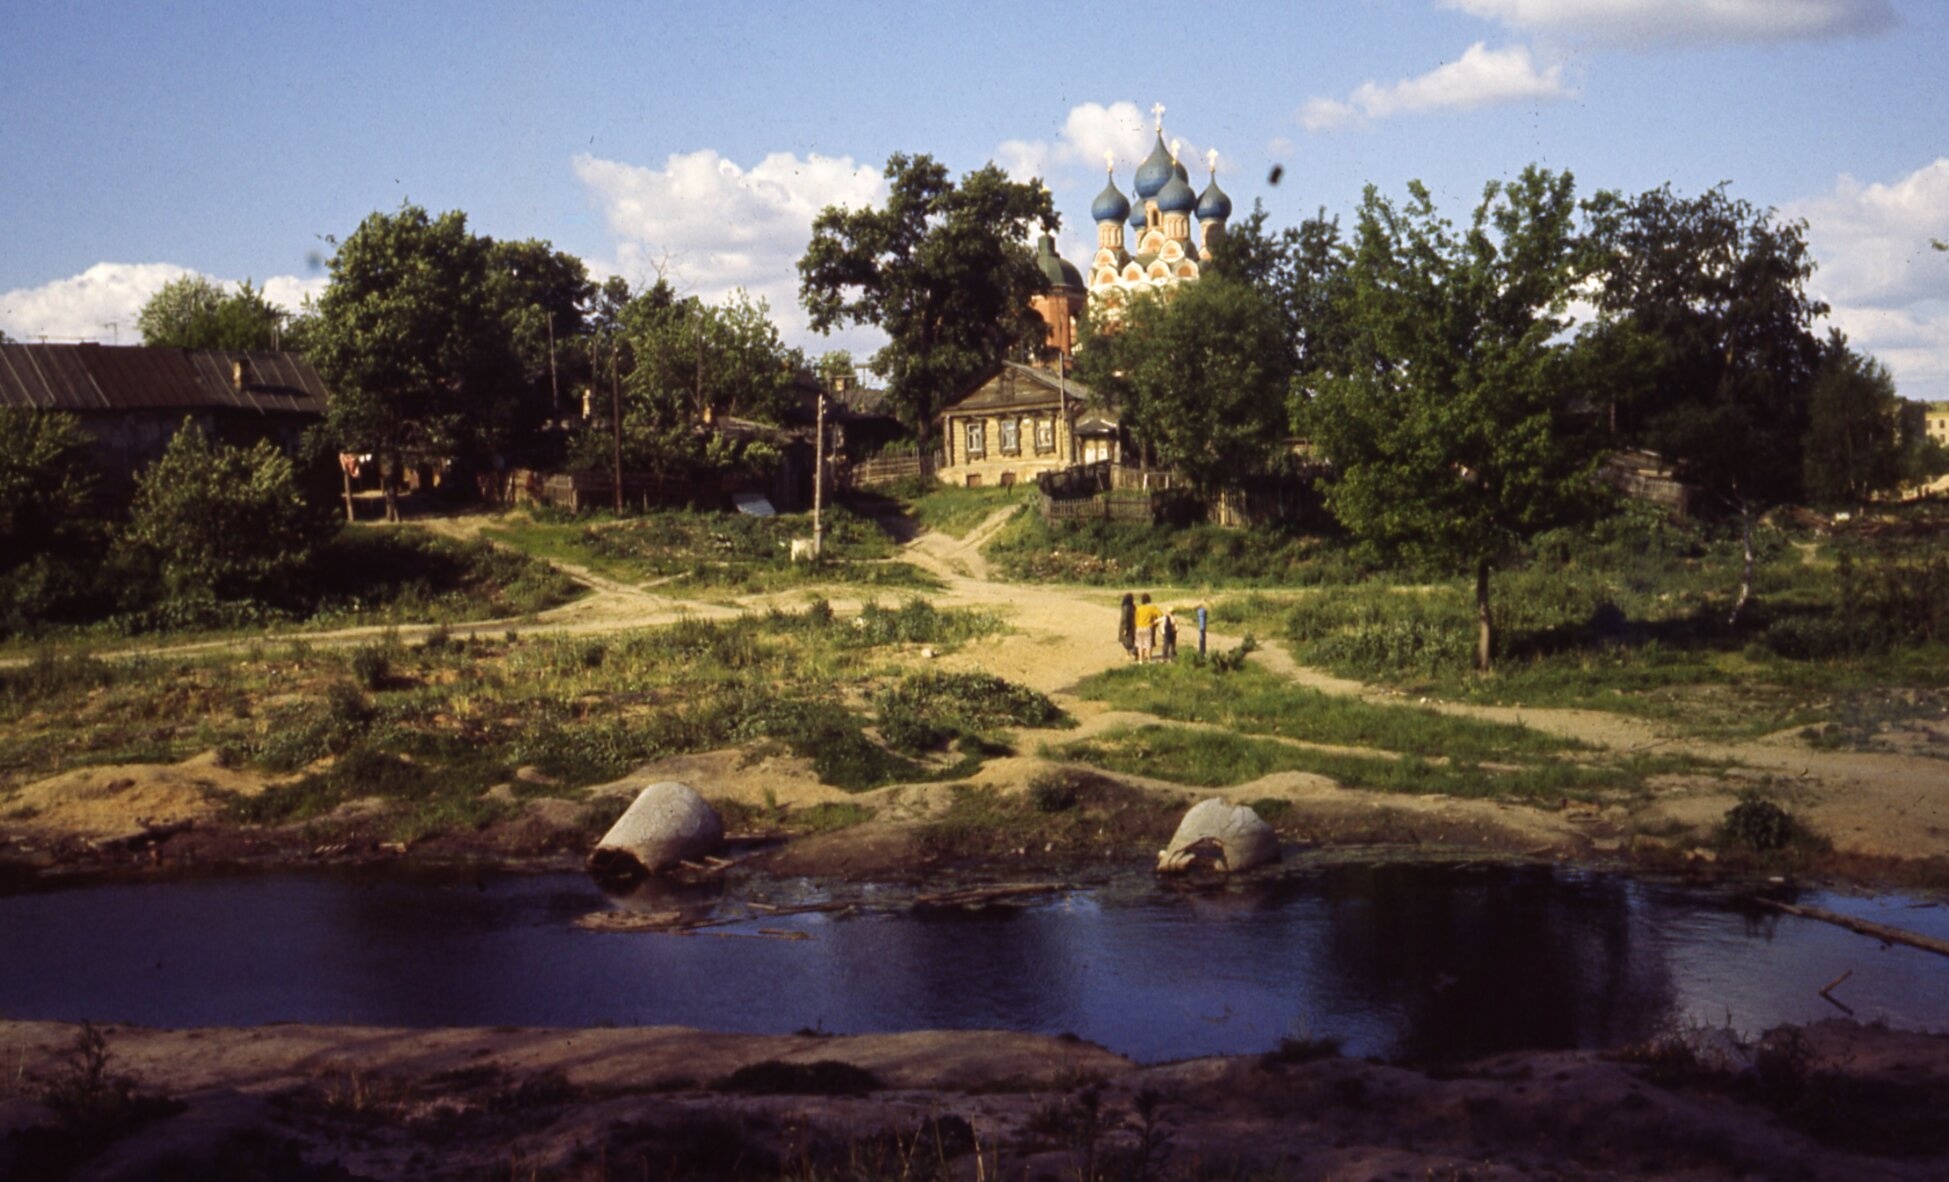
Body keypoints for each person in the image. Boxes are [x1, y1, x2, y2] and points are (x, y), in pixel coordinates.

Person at [1133, 593, 1162, 663]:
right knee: (1148, 644)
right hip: (1148, 627)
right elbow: (1161, 615)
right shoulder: (1152, 608)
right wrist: (1155, 622)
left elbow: (1135, 619)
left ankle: (1140, 660)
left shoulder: (1138, 608)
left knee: (1140, 645)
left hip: (1139, 627)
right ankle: (1149, 659)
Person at [1117, 593, 1137, 660]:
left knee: (1127, 641)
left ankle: (1130, 654)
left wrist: (1125, 627)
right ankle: (1132, 654)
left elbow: (1124, 618)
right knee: (1131, 640)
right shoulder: (1132, 607)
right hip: (1132, 626)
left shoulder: (1126, 607)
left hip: (1127, 626)